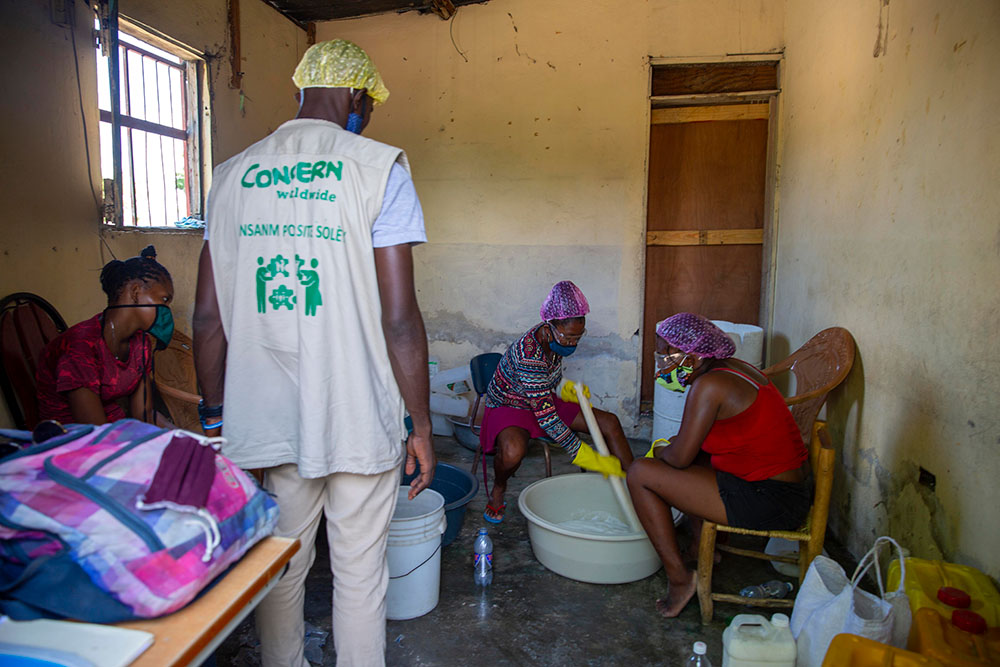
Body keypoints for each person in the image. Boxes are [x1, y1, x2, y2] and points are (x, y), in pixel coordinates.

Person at [192, 39, 435, 667]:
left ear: (303, 91)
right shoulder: (380, 168)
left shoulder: (231, 176)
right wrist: (423, 424)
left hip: (271, 417)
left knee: (281, 564)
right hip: (359, 414)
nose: (369, 115)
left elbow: (208, 318)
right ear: (356, 96)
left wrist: (217, 421)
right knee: (359, 574)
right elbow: (401, 317)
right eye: (369, 104)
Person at [626, 313, 811, 619]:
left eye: (668, 356)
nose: (663, 365)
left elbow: (678, 458)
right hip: (785, 489)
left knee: (640, 474)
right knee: (690, 456)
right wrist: (675, 448)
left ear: (695, 357)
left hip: (771, 499)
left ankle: (680, 579)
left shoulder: (709, 386)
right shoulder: (735, 369)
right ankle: (704, 547)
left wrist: (660, 452)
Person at [479, 280, 635, 523]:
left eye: (578, 337)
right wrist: (584, 455)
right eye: (570, 337)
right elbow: (548, 420)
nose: (574, 343)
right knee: (512, 452)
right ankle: (499, 488)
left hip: (541, 398)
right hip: (510, 405)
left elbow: (548, 380)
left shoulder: (553, 340)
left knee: (610, 422)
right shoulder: (529, 353)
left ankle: (634, 485)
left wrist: (563, 386)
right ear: (549, 325)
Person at [35, 245, 174, 426]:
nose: (167, 310)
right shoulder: (82, 347)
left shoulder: (141, 343)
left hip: (114, 428)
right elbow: (95, 433)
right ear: (135, 292)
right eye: (164, 299)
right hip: (70, 440)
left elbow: (144, 413)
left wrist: (187, 438)